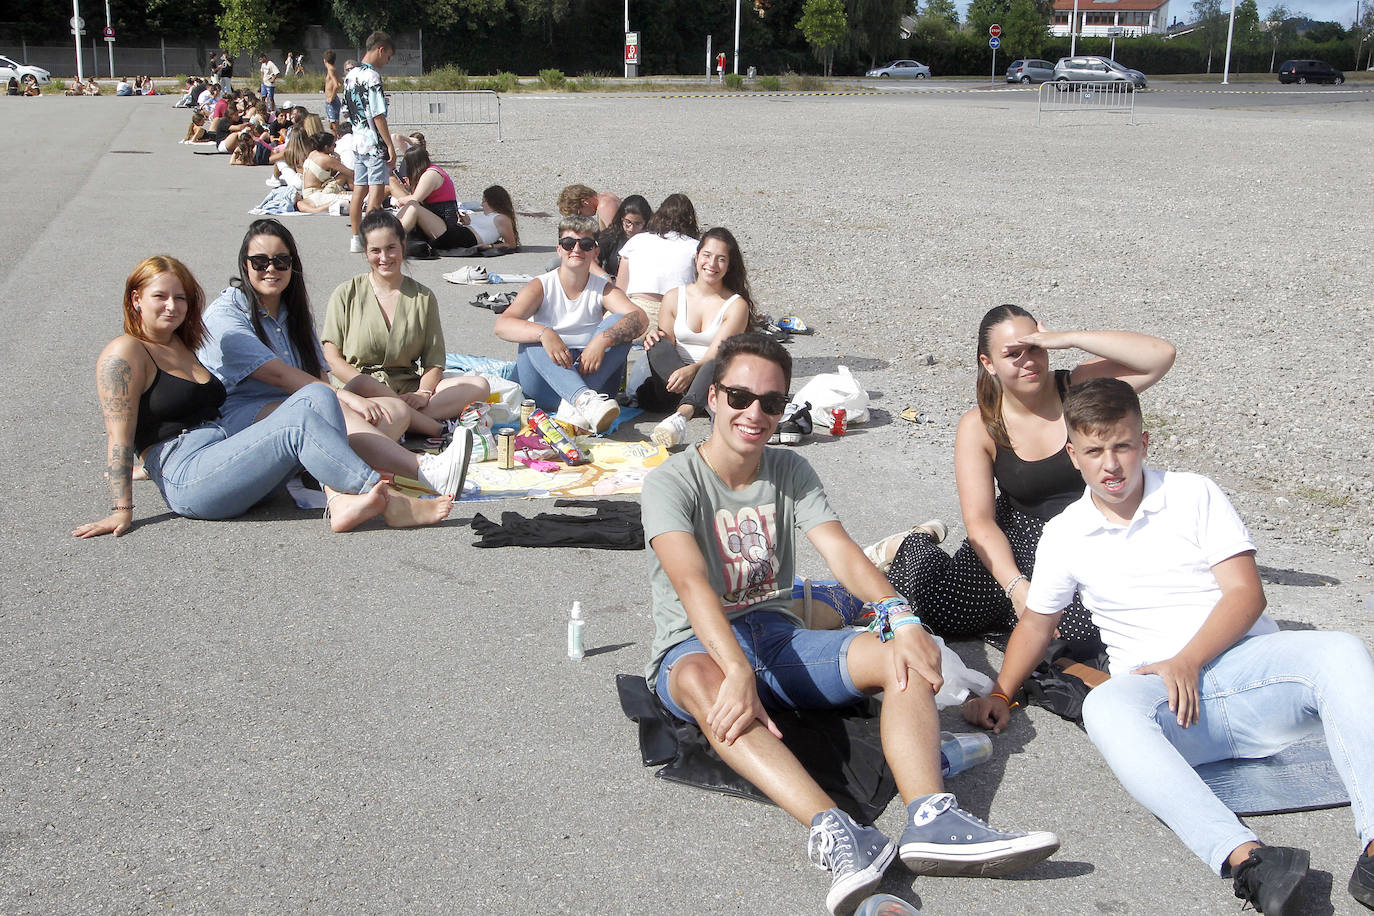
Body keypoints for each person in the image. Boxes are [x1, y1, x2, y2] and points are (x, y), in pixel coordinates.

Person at [643, 332, 1060, 916]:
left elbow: (840, 551)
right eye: (740, 396)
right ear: (712, 397)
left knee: (904, 655)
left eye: (771, 403)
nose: (754, 413)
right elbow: (690, 584)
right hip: (698, 644)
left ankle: (930, 819)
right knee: (704, 686)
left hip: (778, 632)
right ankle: (841, 834)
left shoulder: (789, 468)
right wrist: (735, 667)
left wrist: (900, 616)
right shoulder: (673, 481)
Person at [962, 377, 1374, 916]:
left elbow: (1247, 595)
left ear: (1144, 443)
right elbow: (1038, 624)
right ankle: (1249, 862)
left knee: (1340, 650)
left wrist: (1189, 658)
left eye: (1122, 446)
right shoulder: (1064, 533)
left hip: (1250, 677)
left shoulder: (1192, 493)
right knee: (1106, 704)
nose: (1111, 464)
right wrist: (1002, 692)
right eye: (1094, 450)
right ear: (1074, 455)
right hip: (1170, 707)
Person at [71, 256, 463, 540]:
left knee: (314, 395)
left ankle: (343, 499)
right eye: (161, 296)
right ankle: (387, 499)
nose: (173, 306)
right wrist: (121, 509)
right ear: (136, 299)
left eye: (182, 298)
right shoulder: (126, 352)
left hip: (224, 452)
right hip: (189, 476)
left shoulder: (182, 345)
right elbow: (119, 438)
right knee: (299, 422)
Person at [863, 305, 1176, 656]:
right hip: (1014, 542)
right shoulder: (979, 426)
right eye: (1013, 354)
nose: (1029, 362)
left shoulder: (1079, 390)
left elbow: (1160, 356)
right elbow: (979, 520)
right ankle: (909, 543)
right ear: (989, 363)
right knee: (940, 613)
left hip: (1088, 535)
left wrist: (1067, 339)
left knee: (1088, 635)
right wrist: (1016, 587)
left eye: (1035, 349)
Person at [198, 220, 474, 497]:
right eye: (260, 261)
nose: (271, 269)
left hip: (371, 393)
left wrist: (424, 392)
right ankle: (423, 468)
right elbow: (285, 374)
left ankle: (331, 465)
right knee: (325, 403)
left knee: (399, 410)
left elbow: (319, 372)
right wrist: (348, 398)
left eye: (281, 261)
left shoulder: (292, 311)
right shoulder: (229, 314)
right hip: (251, 415)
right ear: (245, 265)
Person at [322, 210, 489, 439]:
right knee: (360, 391)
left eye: (391, 248)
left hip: (407, 389)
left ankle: (403, 421)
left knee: (479, 386)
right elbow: (331, 358)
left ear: (403, 245)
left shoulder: (423, 297)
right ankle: (428, 426)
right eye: (375, 251)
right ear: (365, 252)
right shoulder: (345, 294)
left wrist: (423, 392)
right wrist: (370, 388)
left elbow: (434, 362)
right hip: (360, 392)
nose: (384, 257)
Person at [493, 215, 646, 433]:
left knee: (619, 324)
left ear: (595, 252)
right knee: (533, 338)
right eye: (568, 243)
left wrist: (602, 341)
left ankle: (575, 402)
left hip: (591, 375)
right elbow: (502, 325)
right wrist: (545, 333)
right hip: (546, 381)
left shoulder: (603, 288)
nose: (576, 249)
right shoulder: (542, 285)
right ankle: (581, 400)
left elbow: (640, 318)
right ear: (559, 249)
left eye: (585, 245)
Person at [642, 227, 760, 448]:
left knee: (719, 360)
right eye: (707, 256)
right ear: (696, 258)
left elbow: (718, 351)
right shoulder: (674, 297)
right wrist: (653, 335)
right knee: (656, 342)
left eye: (721, 259)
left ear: (729, 265)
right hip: (672, 383)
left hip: (711, 378)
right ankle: (695, 403)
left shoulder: (736, 305)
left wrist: (693, 370)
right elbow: (667, 345)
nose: (712, 264)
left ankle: (681, 415)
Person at [615, 193, 700, 336]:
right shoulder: (695, 247)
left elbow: (620, 290)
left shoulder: (637, 240)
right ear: (690, 220)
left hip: (633, 314)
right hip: (672, 317)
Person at [343, 31, 396, 254]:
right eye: (388, 57)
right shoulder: (372, 76)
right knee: (375, 193)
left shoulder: (350, 74)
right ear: (380, 49)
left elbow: (347, 110)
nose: (388, 62)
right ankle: (370, 240)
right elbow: (377, 114)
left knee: (358, 191)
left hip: (357, 140)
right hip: (373, 143)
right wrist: (390, 145)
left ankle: (356, 237)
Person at [596, 194, 652, 280]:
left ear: (646, 222)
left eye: (638, 224)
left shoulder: (653, 239)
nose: (631, 228)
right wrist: (604, 277)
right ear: (621, 219)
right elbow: (592, 261)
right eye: (628, 222)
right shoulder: (610, 236)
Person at [295, 133, 353, 214]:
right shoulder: (326, 159)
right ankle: (359, 192)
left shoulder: (313, 153)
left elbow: (324, 174)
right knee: (345, 175)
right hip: (317, 193)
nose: (335, 148)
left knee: (343, 176)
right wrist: (338, 160)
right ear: (326, 147)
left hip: (308, 192)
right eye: (334, 145)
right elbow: (350, 172)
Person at [322, 50, 342, 133]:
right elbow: (341, 82)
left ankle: (335, 143)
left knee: (334, 127)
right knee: (332, 124)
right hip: (332, 99)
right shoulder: (333, 69)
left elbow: (336, 84)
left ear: (325, 60)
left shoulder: (330, 70)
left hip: (332, 100)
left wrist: (331, 97)